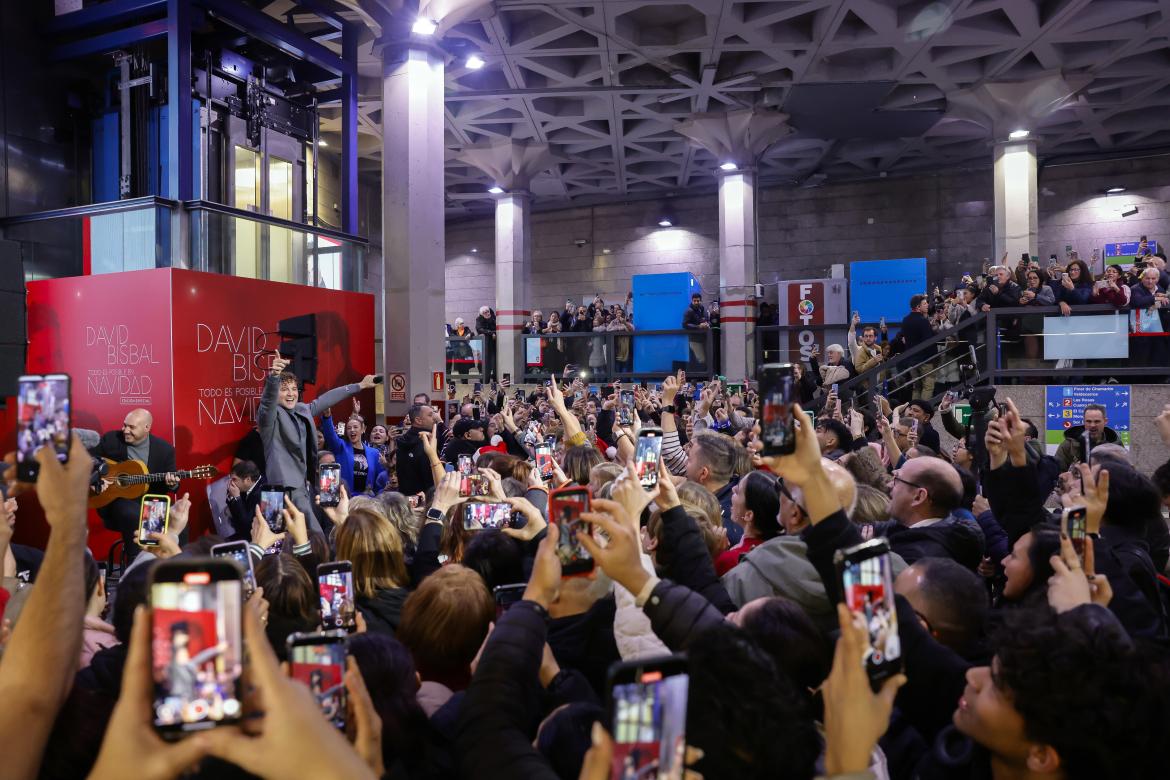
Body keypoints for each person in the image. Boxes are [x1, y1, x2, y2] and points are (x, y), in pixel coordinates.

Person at [258, 352, 376, 532]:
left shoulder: (301, 410)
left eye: (293, 389)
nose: (290, 393)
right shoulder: (269, 417)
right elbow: (267, 403)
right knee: (283, 537)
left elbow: (325, 399)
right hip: (280, 490)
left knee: (305, 537)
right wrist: (274, 377)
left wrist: (360, 385)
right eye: (284, 389)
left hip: (302, 486)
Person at [89, 408, 178, 552]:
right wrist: (95, 479)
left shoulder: (164, 450)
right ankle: (135, 561)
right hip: (115, 500)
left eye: (131, 427)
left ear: (147, 428)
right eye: (124, 425)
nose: (125, 430)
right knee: (132, 515)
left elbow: (173, 483)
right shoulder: (112, 439)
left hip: (151, 501)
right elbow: (87, 458)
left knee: (176, 518)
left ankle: (169, 560)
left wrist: (172, 484)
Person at [715, 470, 782, 576]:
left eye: (738, 492)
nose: (732, 489)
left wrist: (715, 554)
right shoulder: (779, 548)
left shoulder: (730, 560)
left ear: (748, 515)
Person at [321, 409, 386, 496]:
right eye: (349, 428)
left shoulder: (374, 453)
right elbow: (330, 435)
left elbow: (380, 479)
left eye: (355, 427)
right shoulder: (341, 447)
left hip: (367, 499)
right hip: (345, 496)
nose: (352, 430)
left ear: (362, 429)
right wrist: (327, 417)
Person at [1054, 403, 1119, 471]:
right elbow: (1056, 472)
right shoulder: (1069, 445)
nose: (1092, 425)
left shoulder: (1115, 445)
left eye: (1097, 421)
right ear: (1084, 421)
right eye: (1088, 421)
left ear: (1105, 421)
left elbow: (1123, 473)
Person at [395, 404, 442, 497]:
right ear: (418, 420)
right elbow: (430, 478)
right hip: (426, 497)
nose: (434, 418)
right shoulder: (426, 442)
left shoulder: (403, 440)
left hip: (406, 498)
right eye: (430, 415)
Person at [225, 460, 264, 542]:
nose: (231, 483)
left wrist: (237, 497)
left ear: (248, 479)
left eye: (234, 479)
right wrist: (233, 498)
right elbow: (236, 517)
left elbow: (247, 526)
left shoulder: (260, 494)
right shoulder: (248, 487)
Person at [682, 293, 710, 371]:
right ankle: (701, 376)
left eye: (698, 301)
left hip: (703, 338)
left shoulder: (702, 309)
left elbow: (706, 320)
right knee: (701, 360)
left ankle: (703, 375)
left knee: (705, 359)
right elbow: (684, 324)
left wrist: (707, 324)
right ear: (692, 301)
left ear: (701, 301)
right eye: (694, 301)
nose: (696, 302)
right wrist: (698, 326)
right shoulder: (689, 311)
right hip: (694, 339)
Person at [476, 306, 497, 381]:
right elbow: (480, 329)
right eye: (485, 313)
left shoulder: (494, 318)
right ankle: (485, 380)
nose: (487, 313)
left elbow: (498, 329)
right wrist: (491, 333)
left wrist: (493, 333)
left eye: (488, 311)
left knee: (495, 363)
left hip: (495, 344)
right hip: (485, 345)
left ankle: (495, 379)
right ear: (482, 314)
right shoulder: (479, 319)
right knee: (486, 363)